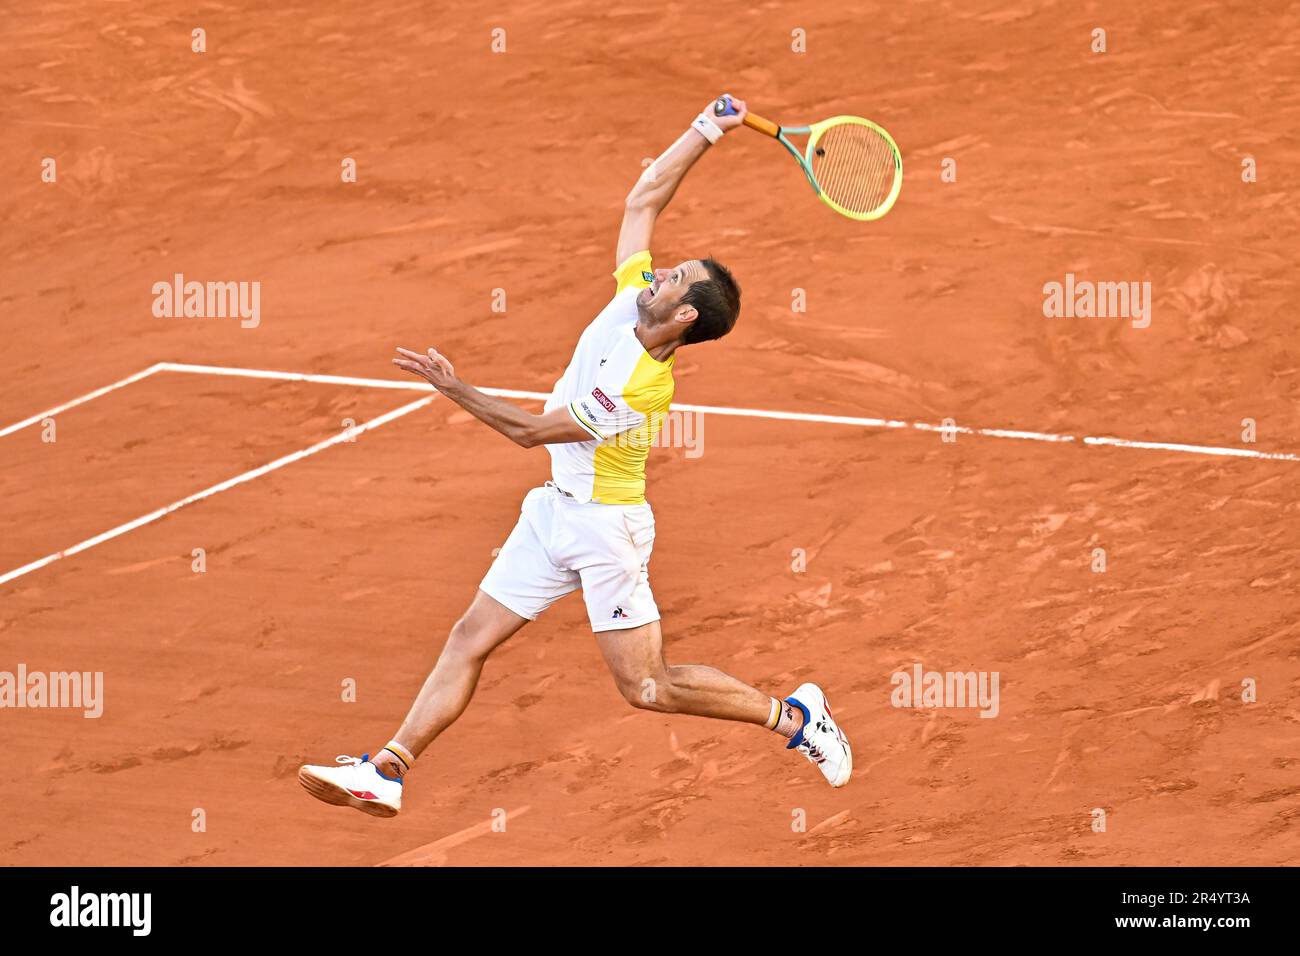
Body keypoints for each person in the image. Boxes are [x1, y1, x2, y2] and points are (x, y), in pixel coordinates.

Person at [299, 94, 851, 818]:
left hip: (606, 532)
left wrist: (453, 386)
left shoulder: (640, 385)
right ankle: (389, 769)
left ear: (684, 316)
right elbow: (643, 198)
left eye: (674, 277)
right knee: (469, 636)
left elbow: (530, 432)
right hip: (554, 511)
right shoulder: (633, 300)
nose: (658, 273)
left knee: (647, 689)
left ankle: (795, 717)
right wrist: (704, 131)